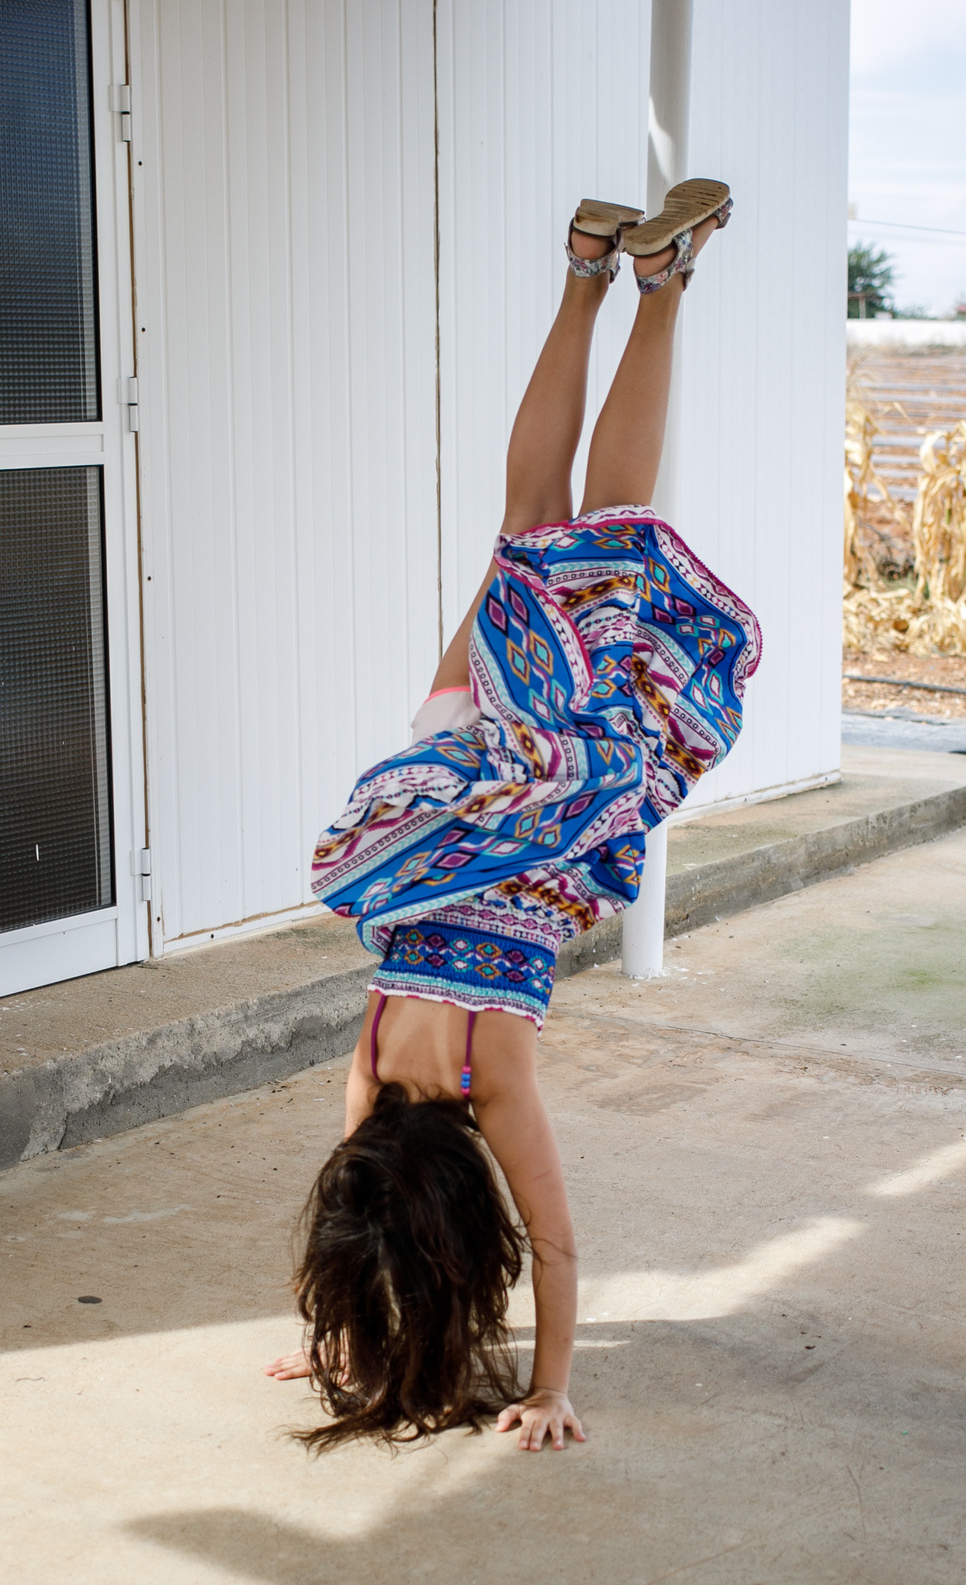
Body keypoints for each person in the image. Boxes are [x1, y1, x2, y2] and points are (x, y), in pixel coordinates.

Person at [264, 179, 757, 1453]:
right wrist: (328, 1335)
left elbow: (558, 1244)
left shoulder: (492, 1075)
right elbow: (354, 1223)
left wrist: (550, 1391)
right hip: (449, 759)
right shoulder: (372, 1071)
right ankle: (588, 263)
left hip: (558, 771)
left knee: (614, 526)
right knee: (527, 528)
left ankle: (660, 284)